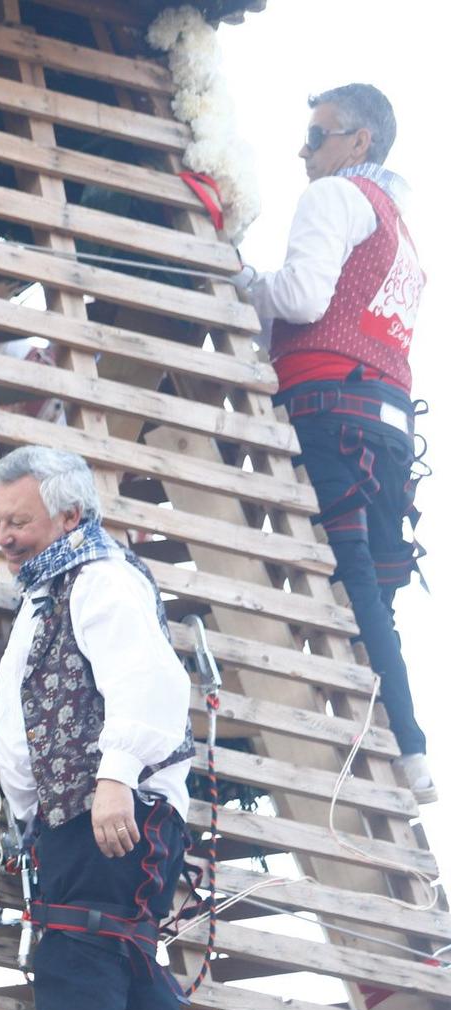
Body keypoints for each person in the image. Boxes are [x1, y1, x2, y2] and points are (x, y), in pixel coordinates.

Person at [0, 446, 222, 1010]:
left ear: (69, 515)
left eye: (17, 519)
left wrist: (115, 773)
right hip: (76, 814)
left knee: (77, 959)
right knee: (123, 964)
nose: (4, 535)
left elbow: (151, 681)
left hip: (116, 804)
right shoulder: (49, 591)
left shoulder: (101, 579)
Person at [234, 83, 430, 802]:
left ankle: (405, 741)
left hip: (329, 405)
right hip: (386, 419)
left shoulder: (334, 198)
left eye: (316, 137)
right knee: (370, 590)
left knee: (347, 576)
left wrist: (247, 285)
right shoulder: (398, 225)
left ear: (358, 143)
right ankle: (407, 743)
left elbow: (305, 299)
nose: (304, 151)